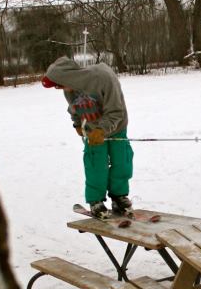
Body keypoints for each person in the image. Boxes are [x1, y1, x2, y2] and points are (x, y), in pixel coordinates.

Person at [42, 56, 133, 219]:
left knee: (121, 161)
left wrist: (101, 130)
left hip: (117, 125)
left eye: (58, 85)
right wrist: (77, 123)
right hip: (91, 130)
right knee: (95, 164)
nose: (58, 89)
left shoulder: (104, 78)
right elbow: (74, 107)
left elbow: (116, 111)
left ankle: (119, 196)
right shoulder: (69, 87)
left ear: (68, 77)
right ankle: (95, 200)